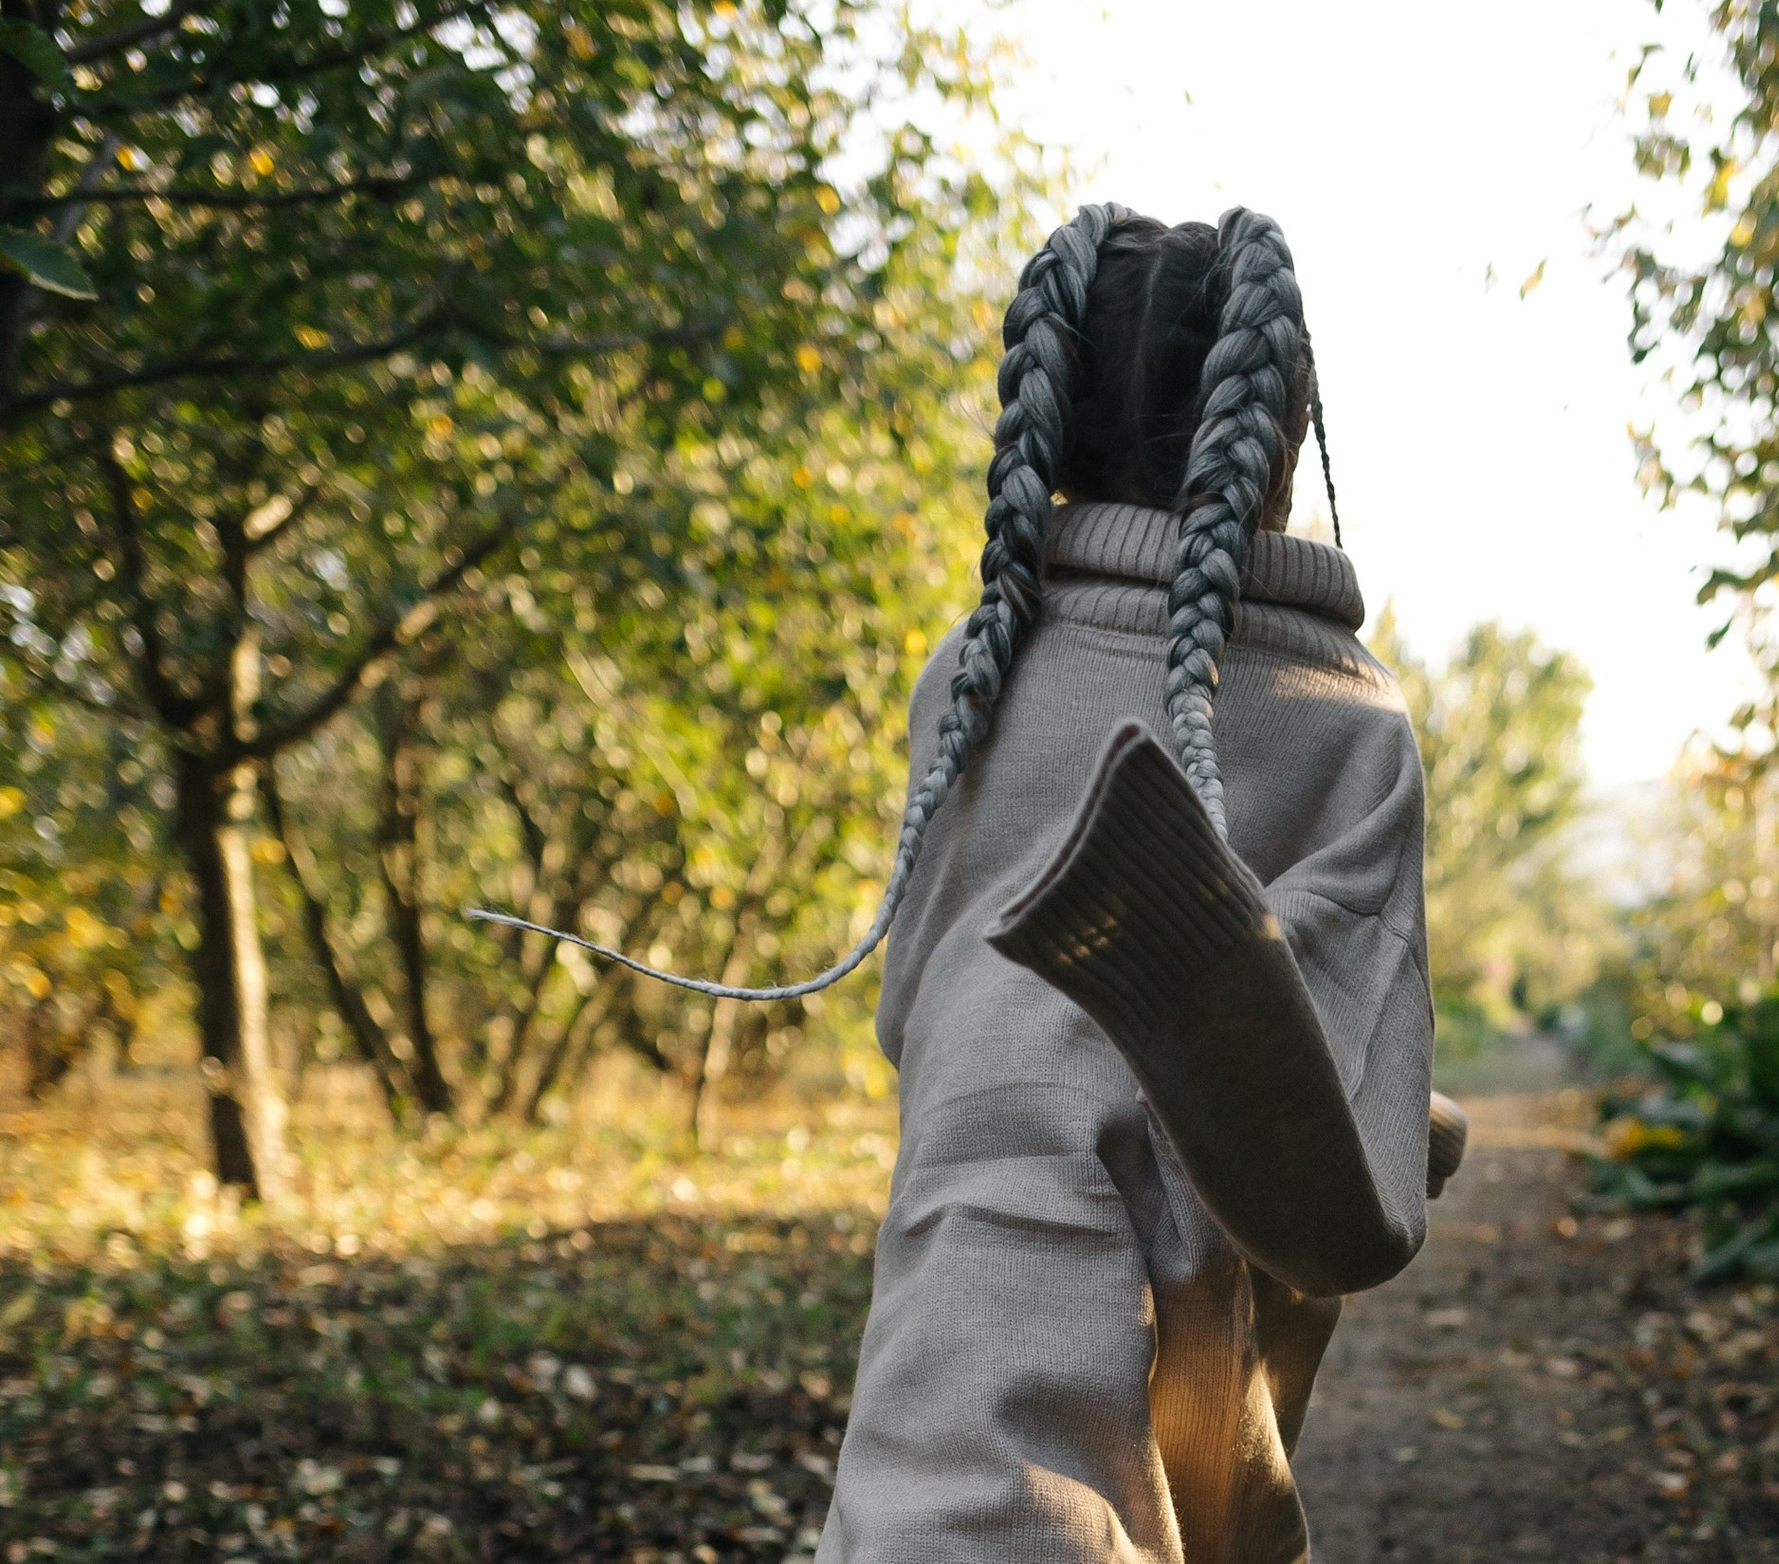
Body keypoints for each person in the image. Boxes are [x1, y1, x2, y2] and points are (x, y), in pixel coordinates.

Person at [474, 203, 1463, 1561]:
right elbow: (1341, 1211)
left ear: (1047, 413)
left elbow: (930, 1030)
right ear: (1282, 434)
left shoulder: (971, 683)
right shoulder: (1346, 729)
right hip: (1131, 1487)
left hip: (918, 1437)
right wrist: (1406, 1114)